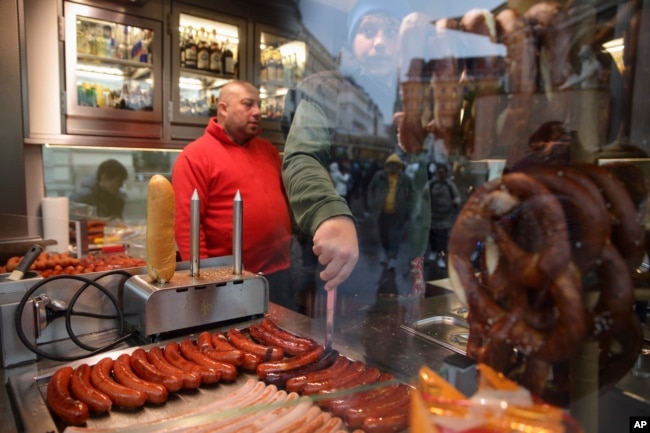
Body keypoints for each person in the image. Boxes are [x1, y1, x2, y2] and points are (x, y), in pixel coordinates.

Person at [282, 0, 411, 294]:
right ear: (352, 41)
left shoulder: (408, 101)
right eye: (368, 30)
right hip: (335, 263)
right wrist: (329, 213)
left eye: (391, 32)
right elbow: (302, 158)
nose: (380, 42)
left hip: (397, 264)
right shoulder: (323, 90)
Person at [171, 80, 294, 309]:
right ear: (223, 108)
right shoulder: (195, 156)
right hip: (230, 279)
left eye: (259, 104)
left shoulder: (268, 151)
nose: (258, 112)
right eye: (248, 105)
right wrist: (203, 281)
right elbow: (187, 226)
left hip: (280, 272)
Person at [367, 153, 413, 271]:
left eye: (395, 165)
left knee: (395, 236)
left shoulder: (405, 179)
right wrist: (372, 203)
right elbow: (370, 189)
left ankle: (392, 259)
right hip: (381, 212)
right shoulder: (379, 176)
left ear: (399, 166)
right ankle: (387, 253)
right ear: (387, 165)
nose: (393, 167)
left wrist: (408, 208)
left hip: (398, 213)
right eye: (390, 164)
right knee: (384, 235)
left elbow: (411, 195)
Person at [425, 163, 460, 268]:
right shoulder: (431, 184)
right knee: (432, 237)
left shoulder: (450, 185)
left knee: (442, 240)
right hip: (432, 216)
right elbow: (423, 196)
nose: (441, 174)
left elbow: (458, 197)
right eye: (439, 172)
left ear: (445, 173)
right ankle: (433, 251)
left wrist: (454, 202)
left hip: (445, 217)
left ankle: (441, 257)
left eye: (442, 172)